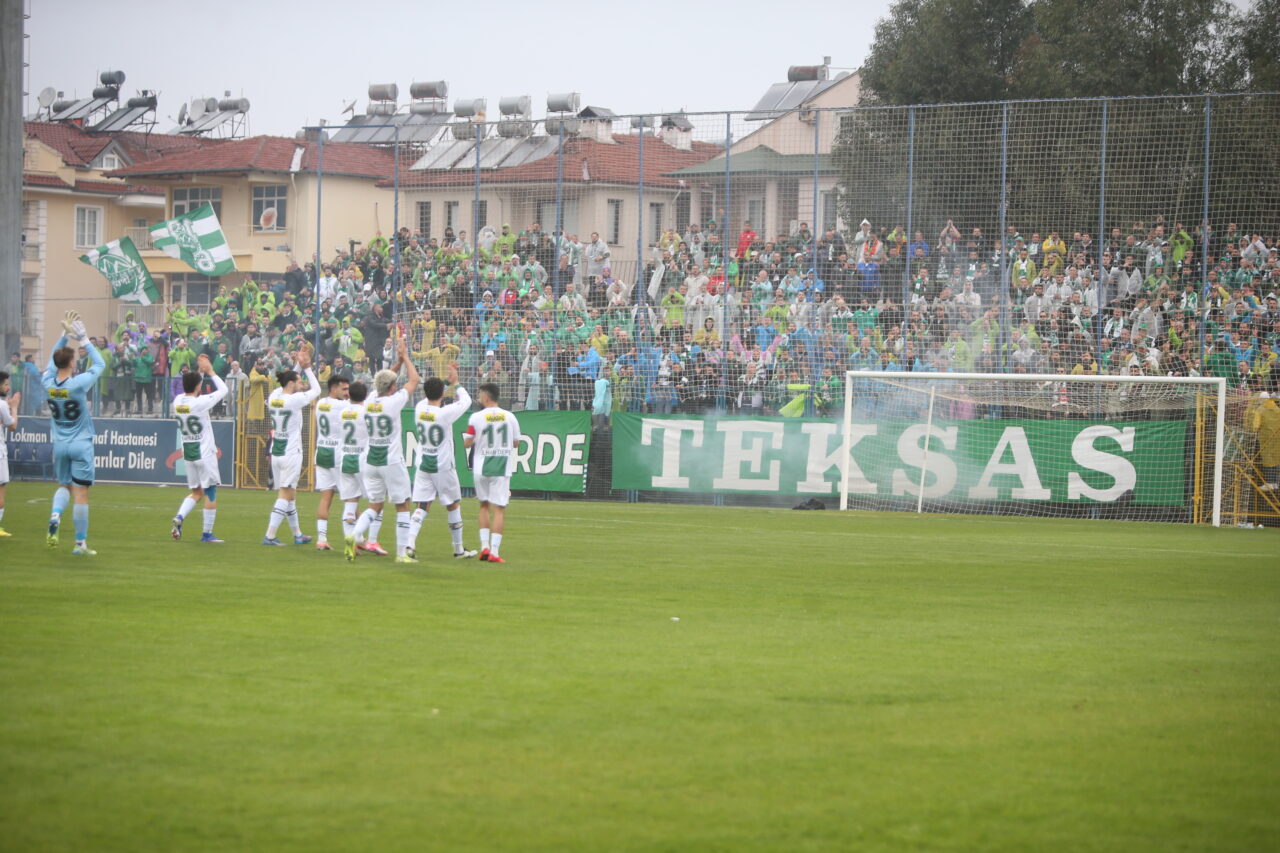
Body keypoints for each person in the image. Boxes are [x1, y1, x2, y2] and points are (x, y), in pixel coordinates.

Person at [351, 330, 420, 563]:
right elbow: (414, 381)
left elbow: (388, 379)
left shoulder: (370, 401)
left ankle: (354, 535)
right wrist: (407, 358)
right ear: (392, 387)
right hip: (391, 460)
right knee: (402, 505)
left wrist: (398, 360)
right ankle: (402, 554)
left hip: (371, 461)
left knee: (375, 504)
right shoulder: (394, 401)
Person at [42, 311, 105, 554]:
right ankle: (80, 543)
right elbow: (100, 364)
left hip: (60, 443)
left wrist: (63, 336)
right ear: (70, 363)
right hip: (81, 442)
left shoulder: (47, 382)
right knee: (81, 493)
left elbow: (50, 362)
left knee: (63, 485)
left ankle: (56, 515)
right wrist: (84, 339)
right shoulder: (78, 383)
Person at [406, 363, 478, 561]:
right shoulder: (444, 414)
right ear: (443, 395)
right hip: (442, 465)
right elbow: (466, 400)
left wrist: (446, 382)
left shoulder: (420, 408)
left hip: (423, 464)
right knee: (453, 504)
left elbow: (435, 394)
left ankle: (409, 544)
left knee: (422, 505)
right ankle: (458, 549)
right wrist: (457, 383)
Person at [262, 348, 320, 546]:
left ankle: (297, 534)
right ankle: (270, 535)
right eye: (299, 381)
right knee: (285, 494)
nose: (302, 384)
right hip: (291, 452)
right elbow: (317, 390)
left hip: (276, 451)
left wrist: (297, 365)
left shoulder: (274, 397)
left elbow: (286, 381)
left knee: (290, 495)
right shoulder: (294, 400)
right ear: (291, 384)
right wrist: (308, 368)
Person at [169, 355, 229, 543]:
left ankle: (179, 517)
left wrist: (199, 373)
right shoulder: (200, 403)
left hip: (188, 452)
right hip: (204, 453)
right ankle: (207, 534)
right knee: (210, 492)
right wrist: (209, 370)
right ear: (198, 387)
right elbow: (224, 390)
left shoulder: (178, 401)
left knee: (196, 492)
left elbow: (194, 389)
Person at [464, 382, 522, 563]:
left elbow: (467, 442)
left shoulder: (476, 417)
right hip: (500, 467)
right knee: (499, 509)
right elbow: (516, 442)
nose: (479, 398)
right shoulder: (510, 417)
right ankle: (495, 552)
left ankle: (484, 547)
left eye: (480, 395)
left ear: (487, 396)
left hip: (481, 467)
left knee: (483, 506)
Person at [312, 374, 351, 551]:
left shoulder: (321, 403)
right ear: (334, 388)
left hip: (321, 452)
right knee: (351, 498)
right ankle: (357, 537)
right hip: (337, 454)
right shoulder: (342, 405)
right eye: (343, 389)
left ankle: (321, 539)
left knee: (325, 497)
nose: (347, 393)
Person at [339, 381, 370, 562]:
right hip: (362, 459)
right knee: (376, 502)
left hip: (345, 457)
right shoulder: (365, 412)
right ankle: (367, 539)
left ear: (348, 395)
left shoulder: (343, 411)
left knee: (350, 502)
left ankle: (349, 542)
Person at [0, 370, 18, 537]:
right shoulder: (2, 405)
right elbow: (12, 426)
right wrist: (14, 407)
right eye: (5, 384)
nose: (8, 387)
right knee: (1, 488)